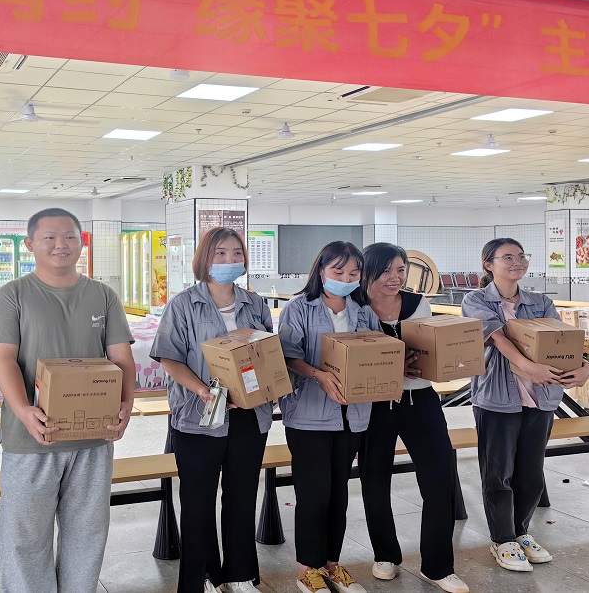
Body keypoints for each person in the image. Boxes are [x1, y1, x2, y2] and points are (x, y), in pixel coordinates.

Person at [0, 207, 136, 593]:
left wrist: (125, 406)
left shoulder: (102, 295)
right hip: (32, 437)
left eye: (69, 237)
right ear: (30, 244)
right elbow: (4, 360)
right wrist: (24, 411)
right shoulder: (12, 295)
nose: (60, 245)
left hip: (93, 436)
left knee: (87, 532)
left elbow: (121, 358)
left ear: (81, 243)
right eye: (49, 237)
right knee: (25, 536)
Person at [461, 238, 589, 573]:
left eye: (521, 256)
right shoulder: (476, 300)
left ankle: (521, 533)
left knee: (532, 473)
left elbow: (562, 342)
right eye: (507, 257)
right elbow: (498, 339)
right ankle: (502, 539)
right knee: (498, 474)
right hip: (497, 399)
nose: (517, 262)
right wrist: (529, 367)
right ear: (488, 263)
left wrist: (584, 367)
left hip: (541, 398)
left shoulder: (540, 302)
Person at [151, 227, 271, 593]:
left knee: (241, 496)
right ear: (205, 258)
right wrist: (203, 391)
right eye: (220, 253)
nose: (230, 260)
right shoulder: (183, 304)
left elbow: (267, 352)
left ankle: (240, 574)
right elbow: (169, 358)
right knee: (197, 500)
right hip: (199, 414)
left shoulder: (254, 303)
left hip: (249, 414)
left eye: (236, 253)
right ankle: (201, 577)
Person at [357, 243, 469, 593]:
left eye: (401, 270)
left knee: (439, 478)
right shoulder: (355, 305)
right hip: (373, 403)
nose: (395, 278)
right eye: (386, 270)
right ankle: (385, 555)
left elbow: (427, 349)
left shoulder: (416, 303)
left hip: (419, 399)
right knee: (374, 479)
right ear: (368, 271)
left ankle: (438, 566)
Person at [277, 241, 370, 593]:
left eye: (354, 273)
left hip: (352, 414)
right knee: (313, 493)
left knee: (338, 493)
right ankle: (308, 568)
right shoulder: (299, 308)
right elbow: (288, 356)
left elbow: (373, 351)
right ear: (321, 270)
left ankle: (332, 564)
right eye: (338, 271)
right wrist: (319, 375)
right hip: (309, 415)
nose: (346, 278)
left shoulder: (363, 310)